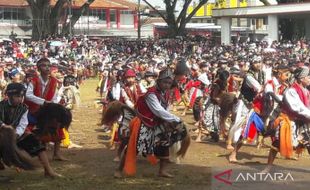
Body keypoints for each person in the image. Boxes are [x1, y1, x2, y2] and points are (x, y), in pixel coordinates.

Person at [113, 68, 190, 178]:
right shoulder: (151, 93)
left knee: (164, 144)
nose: (167, 85)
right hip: (144, 121)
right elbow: (158, 110)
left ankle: (162, 171)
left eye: (169, 83)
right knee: (134, 147)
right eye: (165, 82)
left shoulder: (166, 93)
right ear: (159, 81)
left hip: (158, 122)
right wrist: (175, 118)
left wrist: (170, 119)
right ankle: (119, 169)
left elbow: (165, 109)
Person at [0, 83, 61, 177]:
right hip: (1, 133)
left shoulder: (24, 108)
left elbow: (23, 124)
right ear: (9, 95)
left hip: (17, 134)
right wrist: (4, 126)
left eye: (21, 96)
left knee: (37, 144)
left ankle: (48, 171)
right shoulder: (1, 105)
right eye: (17, 96)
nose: (20, 99)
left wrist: (16, 134)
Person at [263, 66, 310, 173]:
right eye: (308, 77)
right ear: (301, 78)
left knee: (308, 142)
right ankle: (268, 167)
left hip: (302, 121)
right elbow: (298, 107)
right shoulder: (292, 91)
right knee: (277, 144)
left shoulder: (306, 91)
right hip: (289, 120)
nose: (309, 79)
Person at [24, 58, 67, 161]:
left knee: (58, 125)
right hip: (32, 110)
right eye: (44, 65)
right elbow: (28, 95)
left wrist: (53, 105)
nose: (47, 67)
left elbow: (54, 96)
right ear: (39, 68)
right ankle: (35, 154)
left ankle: (56, 153)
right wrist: (42, 102)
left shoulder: (53, 81)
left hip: (47, 109)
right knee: (30, 130)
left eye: (48, 65)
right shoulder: (33, 80)